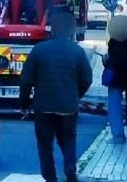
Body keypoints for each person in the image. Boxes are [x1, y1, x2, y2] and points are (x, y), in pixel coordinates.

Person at [19, 11, 93, 182]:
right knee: (68, 140)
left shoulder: (39, 50)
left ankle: (50, 177)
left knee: (45, 145)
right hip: (68, 107)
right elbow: (87, 79)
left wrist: (24, 103)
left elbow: (26, 80)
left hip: (43, 107)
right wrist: (76, 95)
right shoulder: (77, 52)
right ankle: (69, 166)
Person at [103, 15, 127, 144]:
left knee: (114, 106)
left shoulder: (116, 42)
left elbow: (115, 62)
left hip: (116, 79)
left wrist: (106, 60)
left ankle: (118, 135)